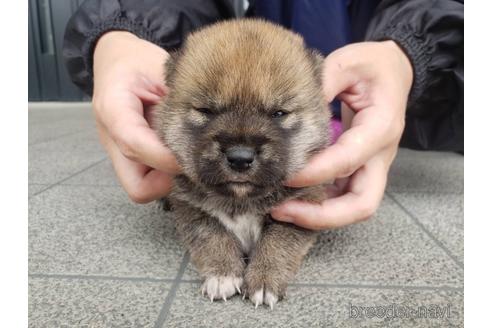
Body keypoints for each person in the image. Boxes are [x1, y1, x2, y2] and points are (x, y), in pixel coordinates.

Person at [62, 0, 463, 230]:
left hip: (421, 101)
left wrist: (412, 53)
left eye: (277, 114)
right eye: (205, 110)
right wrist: (123, 30)